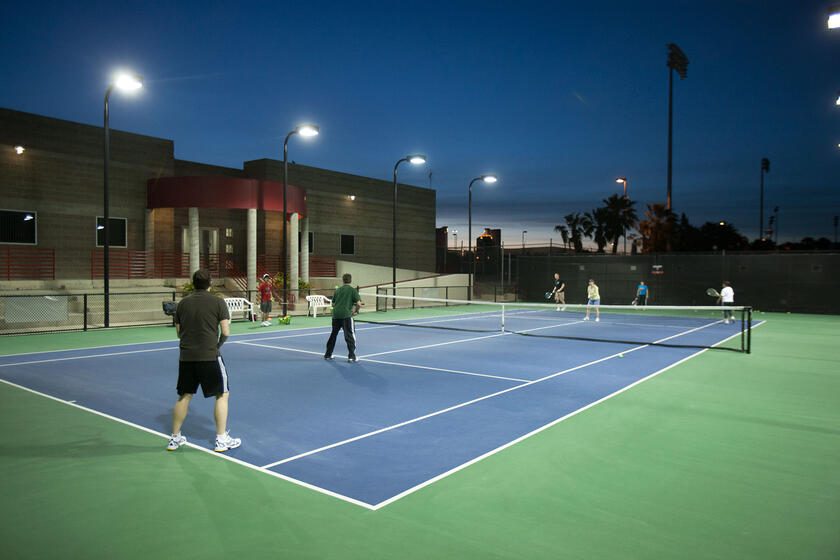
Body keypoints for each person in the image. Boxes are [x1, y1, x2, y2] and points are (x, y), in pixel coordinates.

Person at [167, 269, 241, 453]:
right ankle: (221, 439)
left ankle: (174, 439)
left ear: (193, 283)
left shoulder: (182, 304)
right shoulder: (218, 302)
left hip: (186, 357)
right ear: (210, 283)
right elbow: (225, 332)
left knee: (184, 396)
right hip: (209, 355)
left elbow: (179, 333)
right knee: (222, 394)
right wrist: (217, 345)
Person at [324, 273, 362, 362]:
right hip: (346, 316)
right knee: (349, 335)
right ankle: (352, 356)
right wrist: (356, 311)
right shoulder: (353, 290)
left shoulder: (338, 290)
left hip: (336, 315)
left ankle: (328, 354)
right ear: (351, 280)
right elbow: (359, 304)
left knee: (333, 335)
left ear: (343, 280)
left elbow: (333, 303)